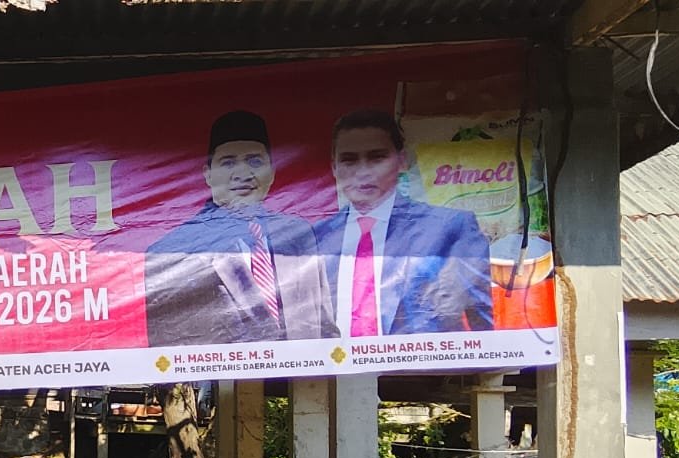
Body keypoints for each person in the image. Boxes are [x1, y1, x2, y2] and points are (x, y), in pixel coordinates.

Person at [145, 111, 336, 346]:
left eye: (255, 161)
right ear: (208, 174)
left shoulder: (299, 235)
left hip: (302, 370)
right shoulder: (171, 251)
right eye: (228, 162)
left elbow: (326, 330)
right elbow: (165, 348)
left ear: (272, 172)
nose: (243, 174)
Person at [315, 110, 494, 337]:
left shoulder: (450, 228)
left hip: (424, 359)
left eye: (377, 158)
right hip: (334, 359)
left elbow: (483, 324)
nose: (363, 172)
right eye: (349, 160)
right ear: (334, 167)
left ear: (402, 161)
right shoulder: (315, 238)